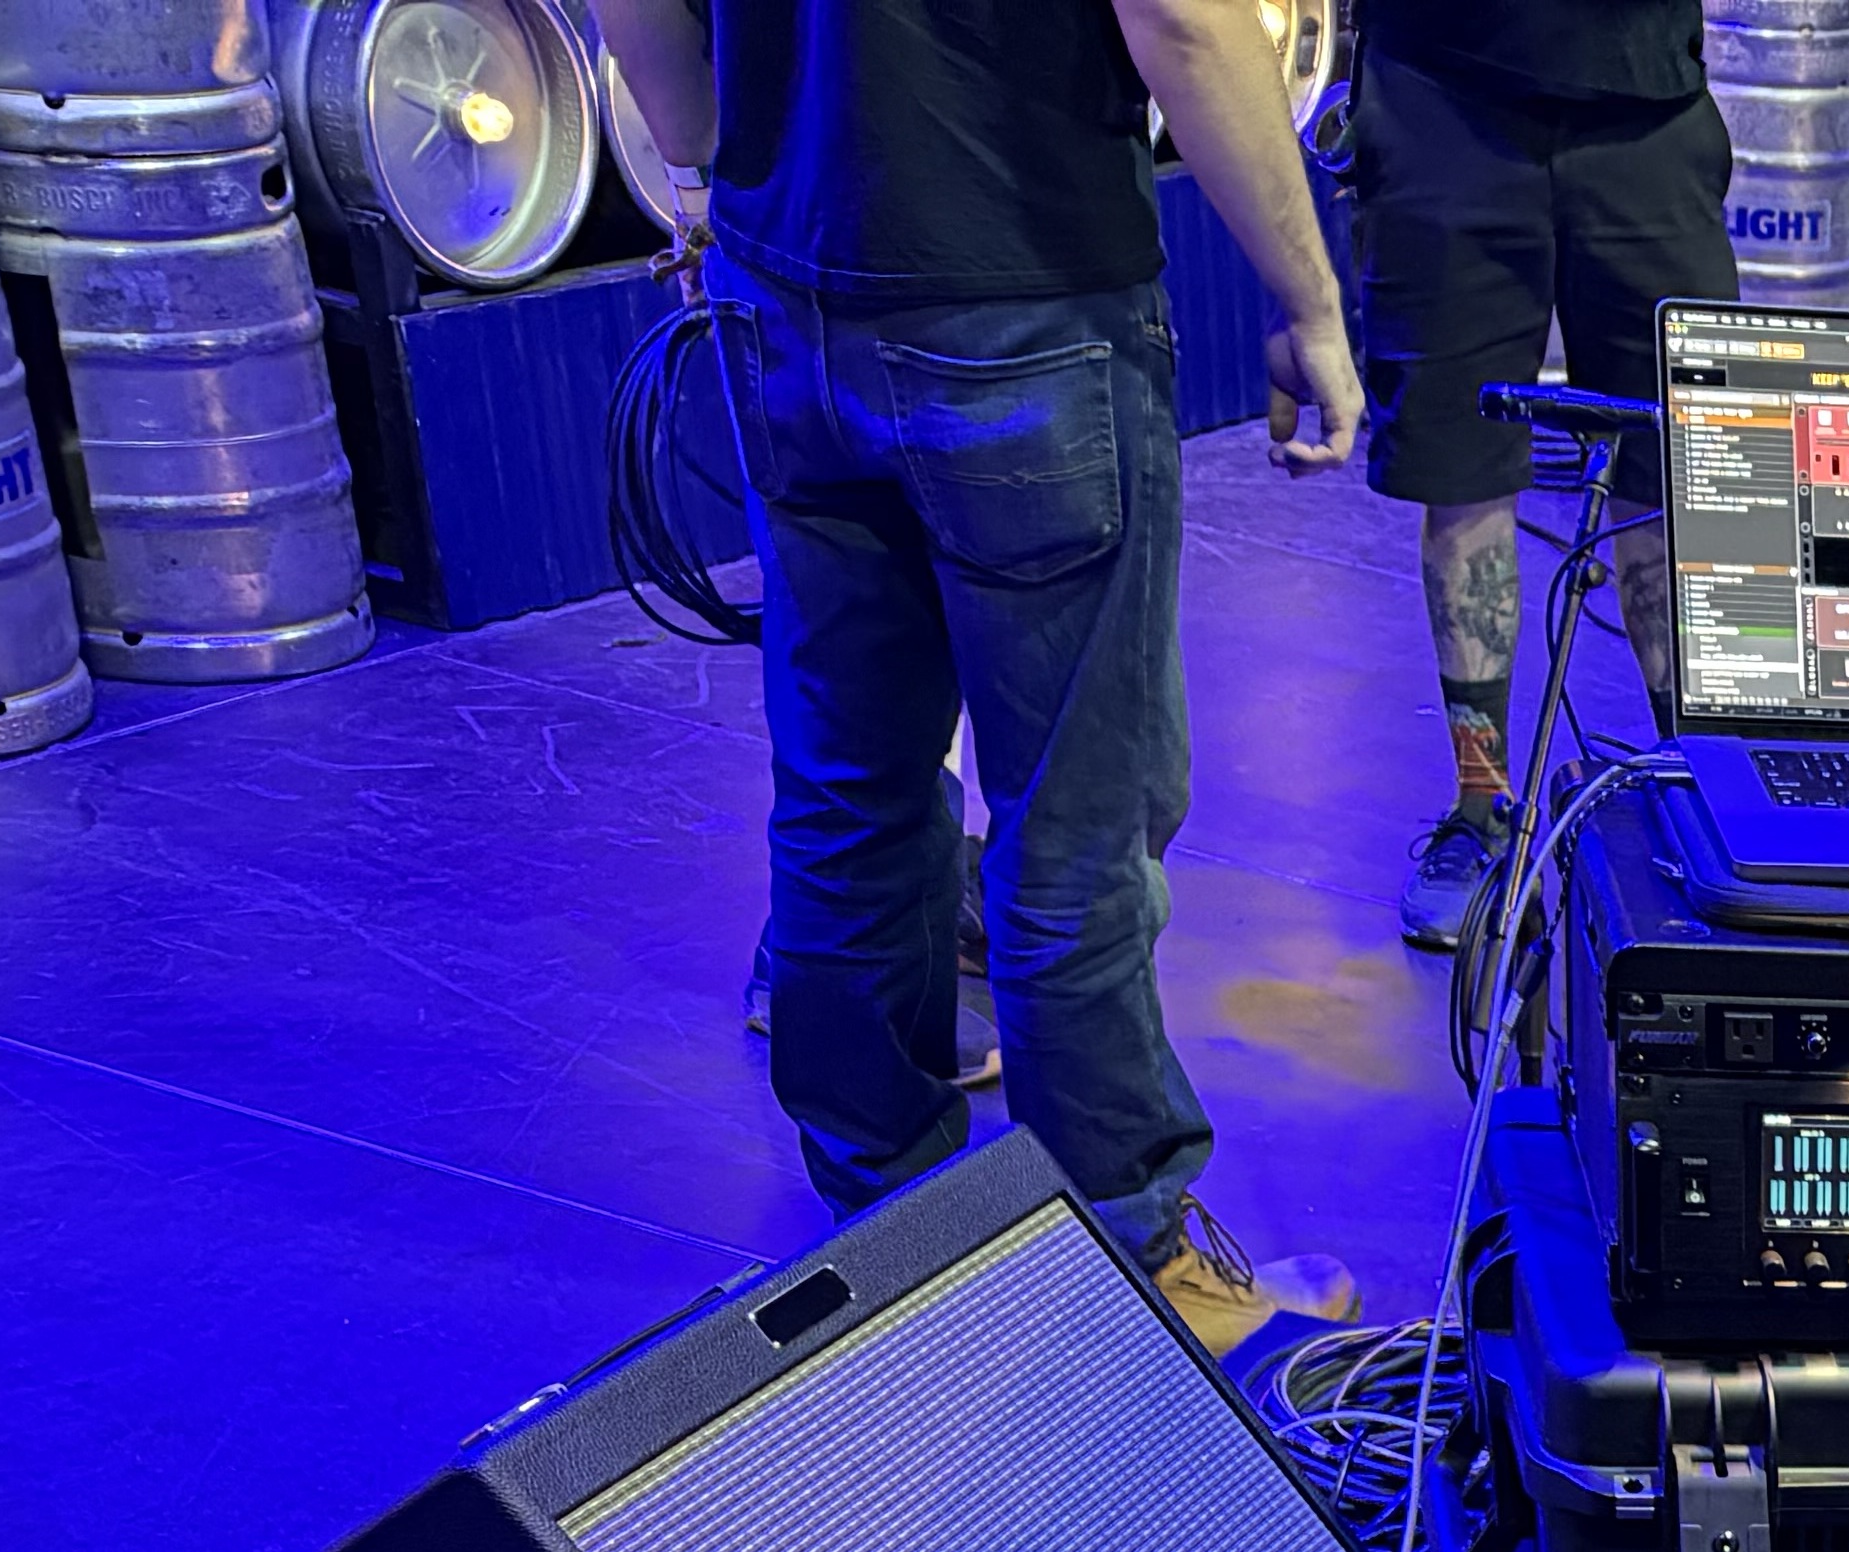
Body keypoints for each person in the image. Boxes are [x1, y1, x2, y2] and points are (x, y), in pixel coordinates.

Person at [599, 0, 1364, 1360]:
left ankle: (883, 1235)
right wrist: (1307, 297)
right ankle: (1135, 1257)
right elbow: (1185, 20)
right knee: (1073, 826)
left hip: (789, 286)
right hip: (1022, 307)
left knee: (847, 792)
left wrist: (713, 158)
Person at [1341, 1, 1734, 948]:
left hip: (1646, 100)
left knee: (1672, 472)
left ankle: (1703, 784)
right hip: (1442, 96)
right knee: (1463, 470)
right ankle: (1482, 813)